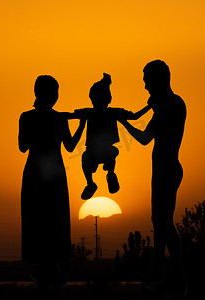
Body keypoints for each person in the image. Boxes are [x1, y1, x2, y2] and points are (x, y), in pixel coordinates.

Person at [119, 60, 188, 296]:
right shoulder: (167, 104)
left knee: (164, 222)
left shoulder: (171, 105)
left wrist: (124, 122)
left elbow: (145, 138)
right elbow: (147, 136)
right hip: (162, 169)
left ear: (159, 80)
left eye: (147, 79)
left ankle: (175, 275)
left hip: (167, 169)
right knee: (159, 222)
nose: (145, 85)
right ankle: (161, 270)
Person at [18, 75, 86, 289]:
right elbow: (70, 146)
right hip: (45, 174)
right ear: (42, 93)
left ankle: (50, 269)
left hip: (44, 174)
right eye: (54, 92)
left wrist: (79, 122)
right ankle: (47, 269)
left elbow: (69, 146)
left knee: (48, 220)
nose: (56, 96)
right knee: (45, 219)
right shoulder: (37, 118)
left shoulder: (32, 117)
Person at [72, 73, 151, 200]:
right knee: (87, 157)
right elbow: (136, 116)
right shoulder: (93, 112)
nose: (95, 101)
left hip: (104, 151)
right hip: (93, 152)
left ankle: (109, 175)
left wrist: (151, 105)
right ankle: (92, 183)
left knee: (105, 153)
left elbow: (135, 116)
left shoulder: (106, 112)